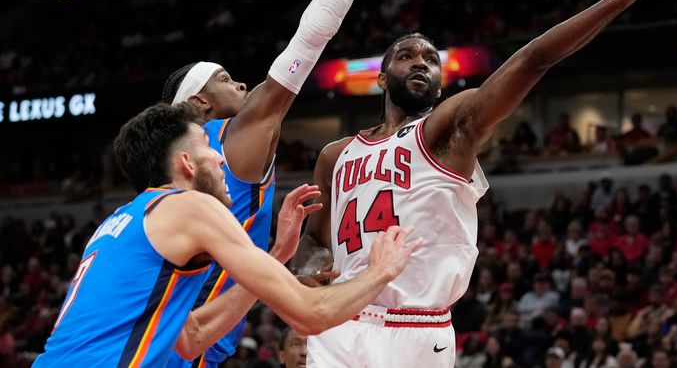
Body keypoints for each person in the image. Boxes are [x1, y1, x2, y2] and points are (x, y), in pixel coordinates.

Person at [294, 0, 677, 368]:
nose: (421, 63)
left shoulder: (447, 128)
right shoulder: (335, 154)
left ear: (442, 84)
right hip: (343, 318)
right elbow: (316, 239)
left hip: (415, 330)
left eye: (430, 59)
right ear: (383, 80)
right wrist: (307, 269)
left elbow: (533, 59)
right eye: (406, 56)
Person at [162, 0, 423, 368]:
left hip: (182, 336)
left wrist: (284, 269)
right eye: (223, 79)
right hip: (173, 345)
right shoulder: (230, 140)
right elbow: (310, 37)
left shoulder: (175, 172)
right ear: (197, 105)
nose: (239, 83)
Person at [33, 103, 421, 366]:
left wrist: (277, 256)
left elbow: (191, 335)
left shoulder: (120, 222)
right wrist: (381, 271)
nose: (220, 157)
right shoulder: (189, 206)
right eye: (207, 146)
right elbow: (310, 314)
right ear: (186, 162)